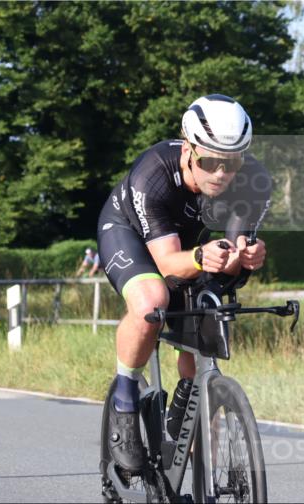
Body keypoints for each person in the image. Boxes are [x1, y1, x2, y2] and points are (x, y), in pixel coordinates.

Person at [97, 94, 270, 474]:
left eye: (232, 163)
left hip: (192, 244)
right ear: (188, 149)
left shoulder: (254, 182)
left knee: (207, 312)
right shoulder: (154, 172)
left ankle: (189, 424)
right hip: (129, 234)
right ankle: (125, 400)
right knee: (152, 302)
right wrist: (200, 257)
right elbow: (166, 264)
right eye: (209, 162)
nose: (221, 174)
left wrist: (246, 256)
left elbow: (234, 250)